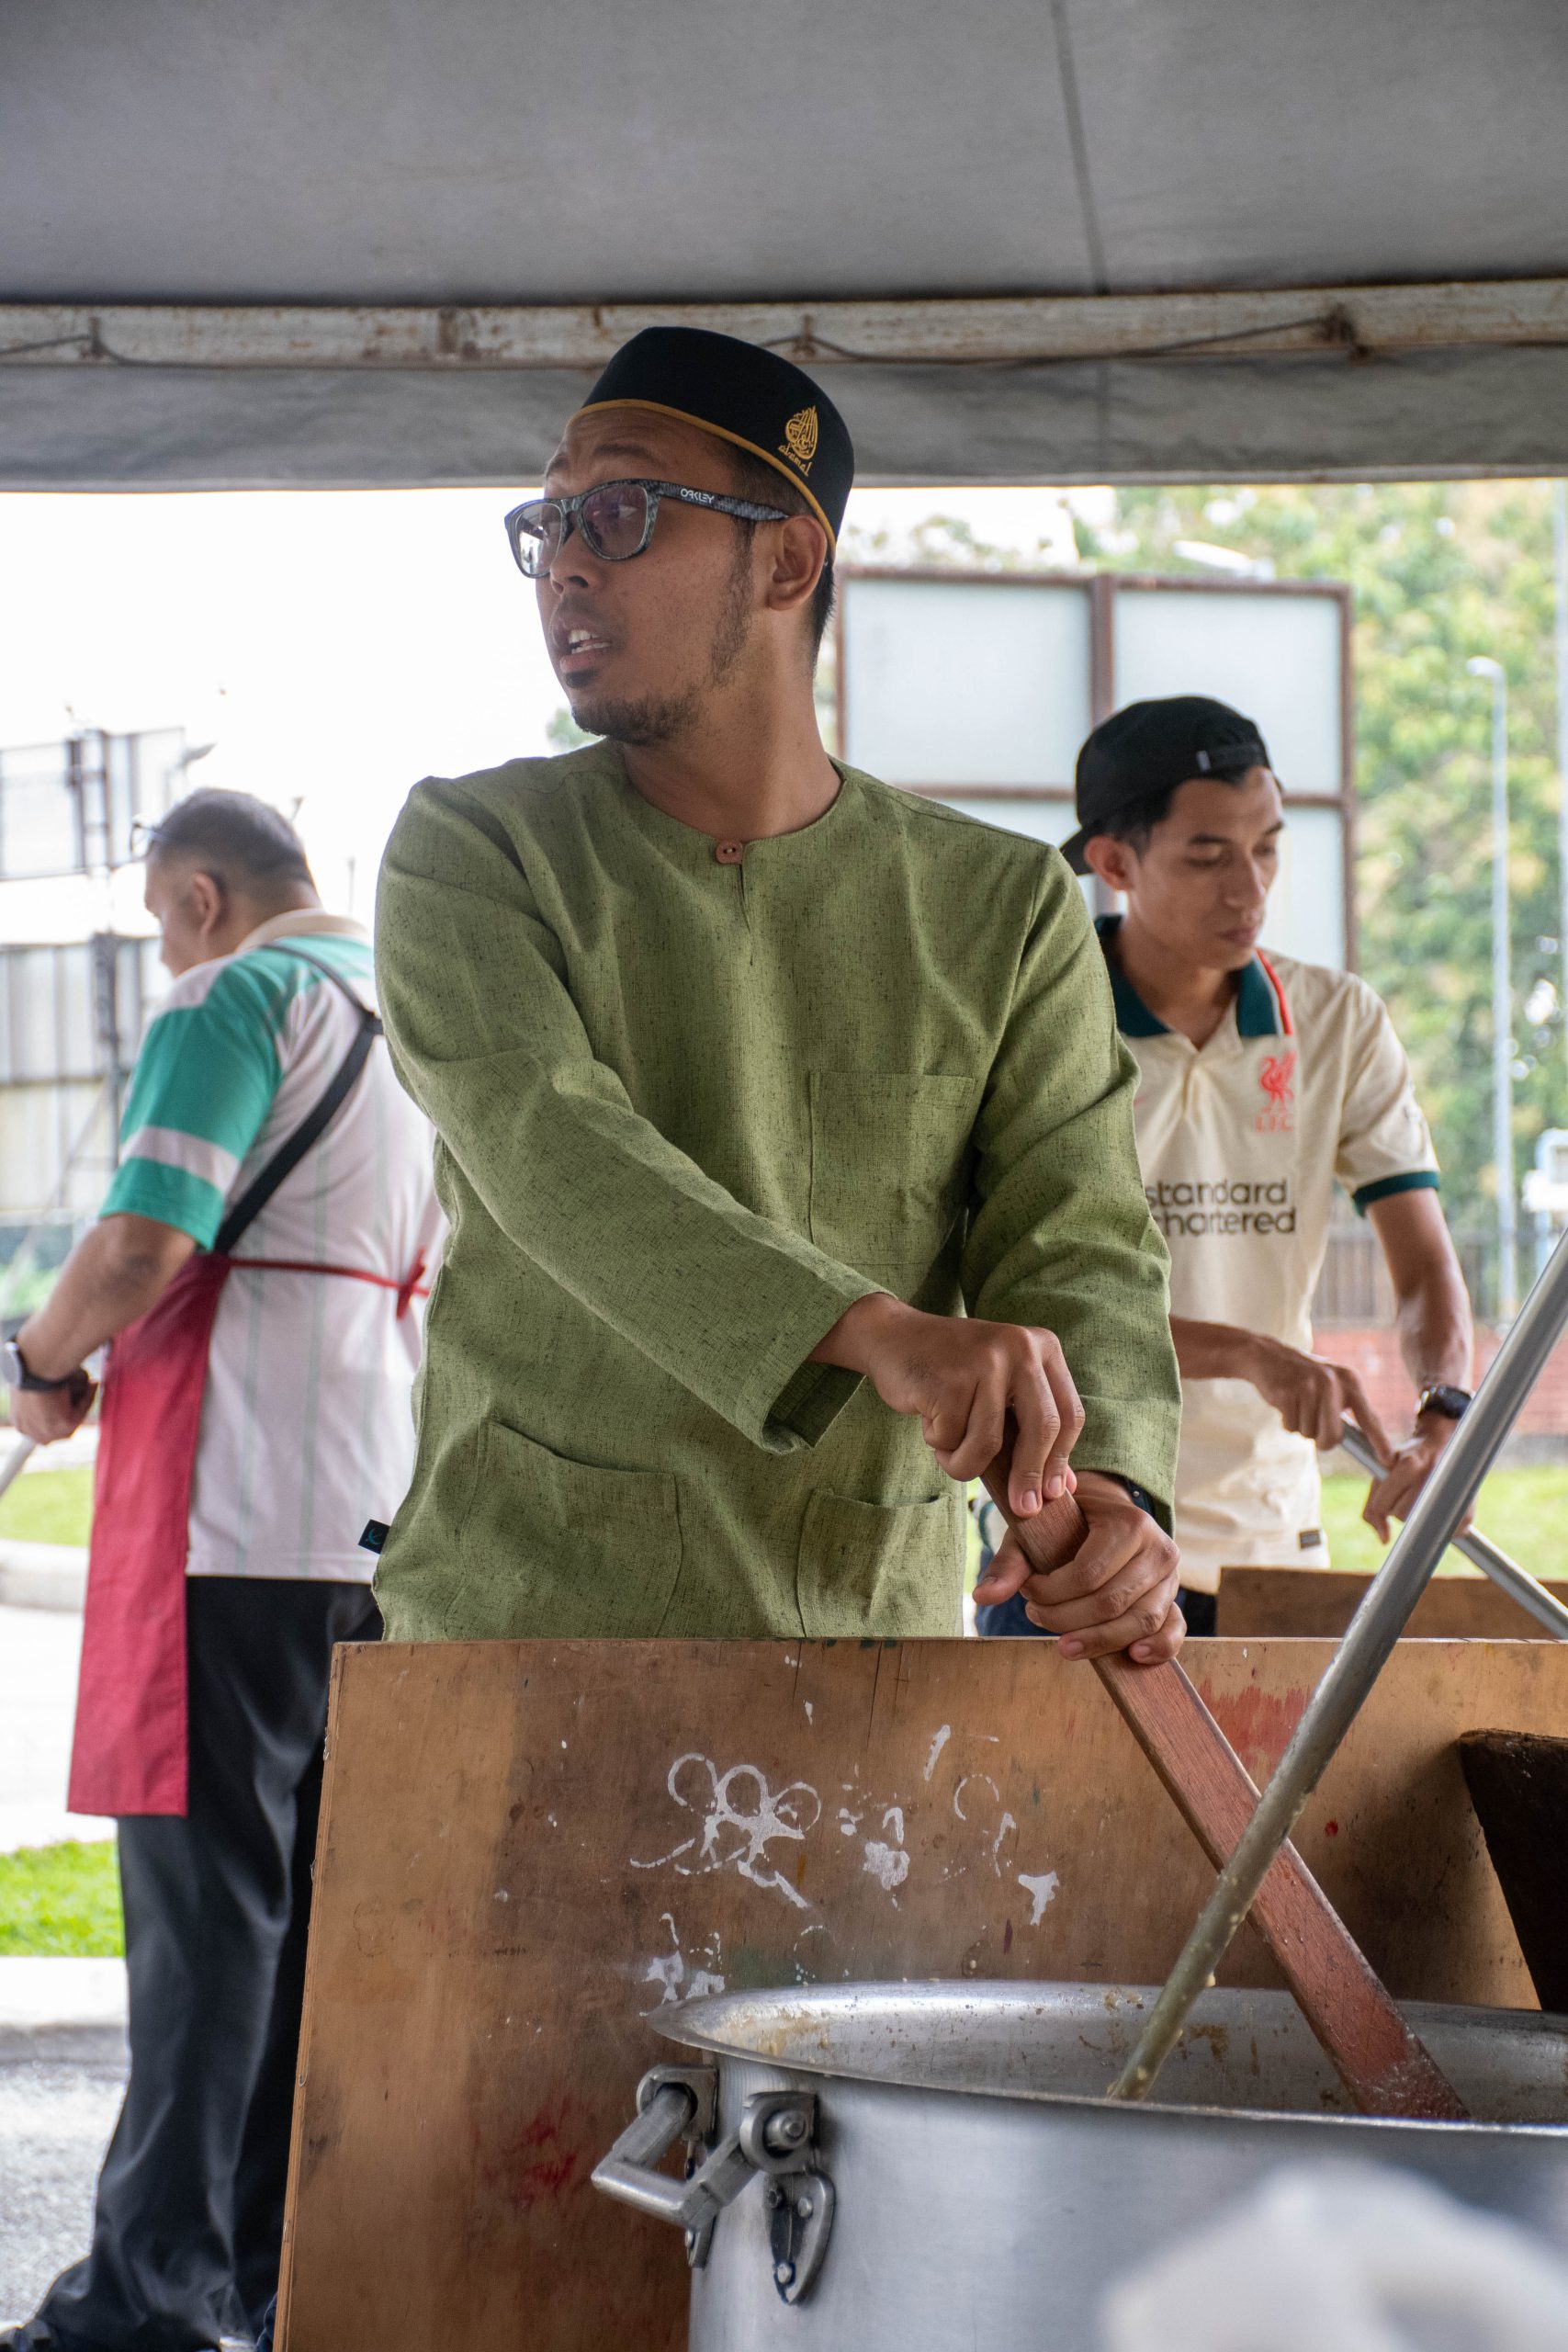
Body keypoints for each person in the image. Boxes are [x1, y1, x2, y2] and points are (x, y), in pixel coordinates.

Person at [369, 324, 1183, 1667]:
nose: (565, 561)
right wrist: (880, 1335)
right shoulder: (475, 850)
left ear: (787, 560)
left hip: (863, 1626)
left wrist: (1103, 1488)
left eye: (620, 510)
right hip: (524, 1622)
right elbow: (552, 1149)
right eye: (549, 520)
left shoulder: (998, 905)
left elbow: (1077, 1236)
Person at [3, 792, 440, 2352]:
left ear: (198, 897)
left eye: (156, 924)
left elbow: (144, 1241)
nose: (163, 953)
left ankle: (147, 2303)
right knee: (310, 1926)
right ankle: (269, 2281)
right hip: (374, 1519)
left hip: (226, 1515)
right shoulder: (417, 1022)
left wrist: (36, 1358)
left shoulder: (234, 997)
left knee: (206, 1931)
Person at [977, 696, 1472, 1637]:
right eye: (1208, 857)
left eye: (1267, 848)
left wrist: (1445, 1417)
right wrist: (1248, 1353)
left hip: (1271, 1542)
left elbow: (1423, 1266)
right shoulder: (1031, 1024)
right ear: (1113, 864)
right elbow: (1016, 1306)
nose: (1249, 890)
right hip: (1074, 1537)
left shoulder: (1338, 1022)